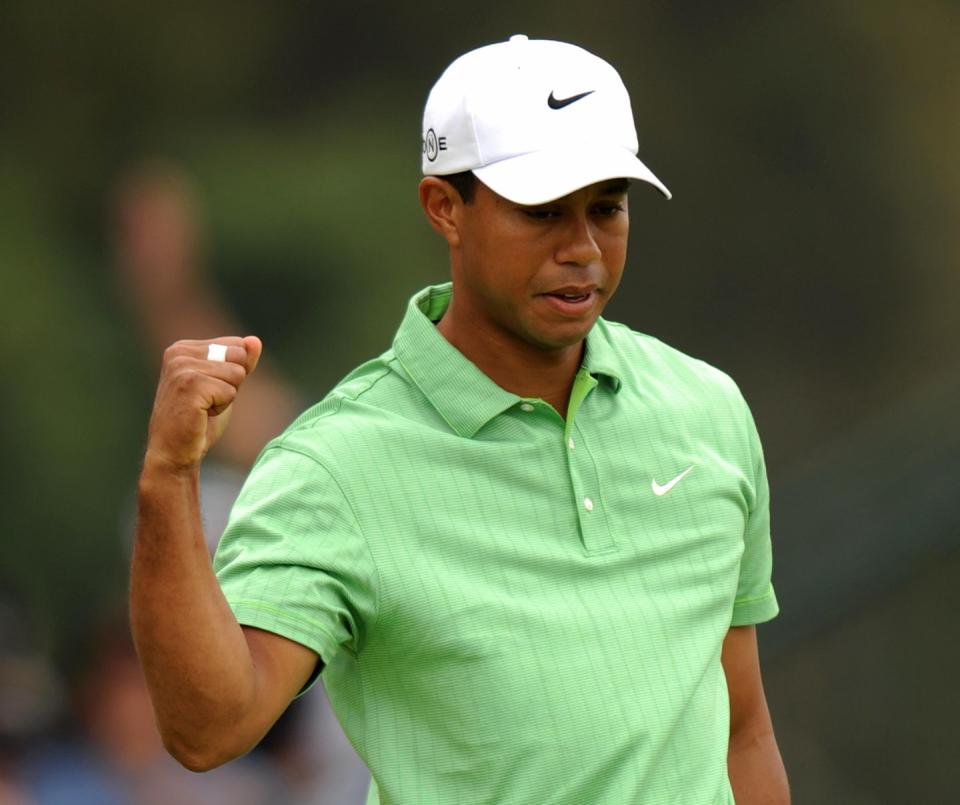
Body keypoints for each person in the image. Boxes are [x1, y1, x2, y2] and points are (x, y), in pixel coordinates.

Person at [130, 35, 790, 804]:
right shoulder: (337, 464)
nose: (581, 248)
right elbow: (208, 728)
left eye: (606, 208)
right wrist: (167, 479)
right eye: (542, 211)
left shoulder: (706, 410)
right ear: (445, 207)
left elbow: (743, 731)